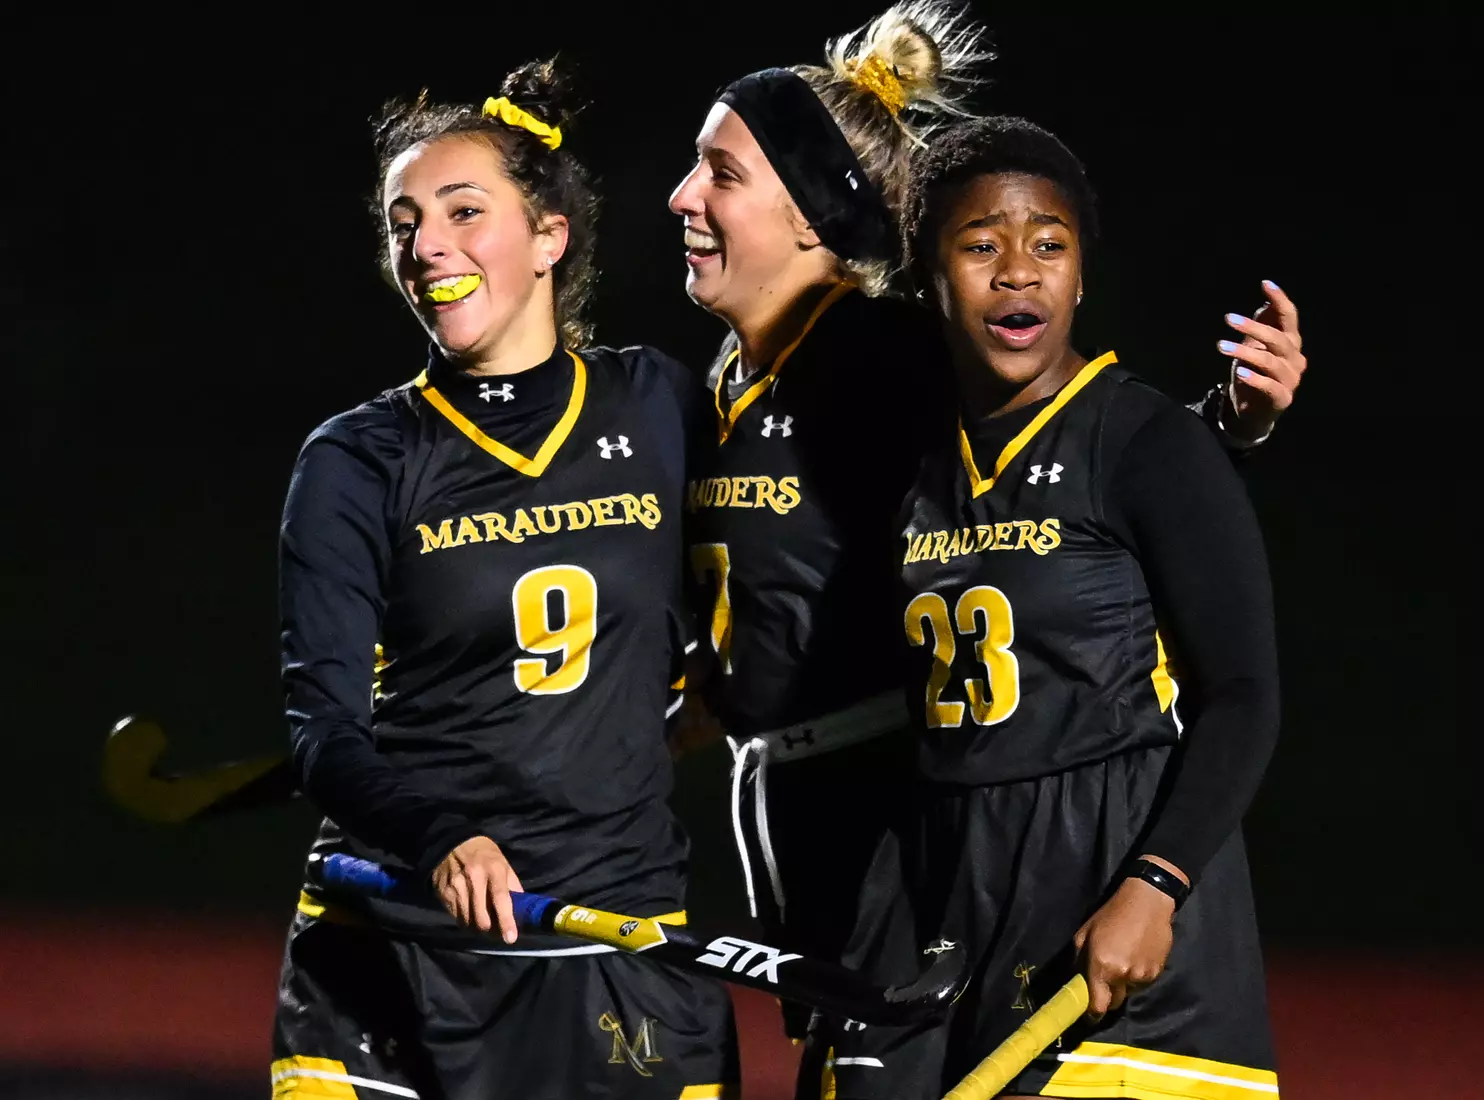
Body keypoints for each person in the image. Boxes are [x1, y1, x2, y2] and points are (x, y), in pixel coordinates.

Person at [665, 3, 1303, 1096]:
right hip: (915, 854)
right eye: (980, 248)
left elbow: (1103, 457)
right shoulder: (729, 388)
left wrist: (1226, 425)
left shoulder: (881, 362)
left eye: (719, 173)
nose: (1015, 273)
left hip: (947, 823)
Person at [270, 59, 736, 1100]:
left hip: (614, 942)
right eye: (404, 222)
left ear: (550, 238)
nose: (426, 244)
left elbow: (780, 563)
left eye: (463, 210)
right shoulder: (358, 459)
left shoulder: (659, 405)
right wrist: (440, 835)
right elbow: (325, 735)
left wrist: (720, 685)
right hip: (392, 951)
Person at [829, 115, 1294, 1100]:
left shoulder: (1147, 440)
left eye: (1049, 243)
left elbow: (1245, 693)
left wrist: (1156, 881)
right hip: (939, 885)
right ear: (930, 277)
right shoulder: (910, 454)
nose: (1017, 271)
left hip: (1106, 876)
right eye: (980, 244)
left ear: (1080, 273)